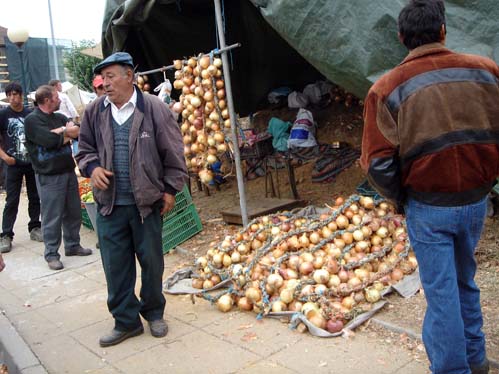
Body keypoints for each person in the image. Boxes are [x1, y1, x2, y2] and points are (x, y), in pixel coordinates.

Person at [360, 1, 498, 373]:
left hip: (429, 207)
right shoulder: (486, 72)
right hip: (474, 201)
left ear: (401, 38)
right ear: (443, 30)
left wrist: (401, 196)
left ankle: (455, 369)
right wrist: (487, 177)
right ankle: (476, 358)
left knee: (442, 293)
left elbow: (376, 161)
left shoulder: (386, 89)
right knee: (464, 280)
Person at [76, 52, 188, 347]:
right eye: (103, 78)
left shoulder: (153, 108)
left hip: (147, 203)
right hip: (110, 205)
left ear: (130, 76)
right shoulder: (95, 111)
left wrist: (170, 190)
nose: (106, 84)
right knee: (115, 265)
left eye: (111, 76)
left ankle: (154, 312)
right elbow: (84, 149)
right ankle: (126, 322)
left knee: (152, 262)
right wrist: (92, 167)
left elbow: (174, 152)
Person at [24, 85, 92, 271]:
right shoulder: (32, 121)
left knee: (73, 211)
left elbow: (77, 130)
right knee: (52, 216)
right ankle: (52, 254)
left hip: (68, 171)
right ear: (47, 100)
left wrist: (61, 131)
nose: (60, 100)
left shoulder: (60, 117)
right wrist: (64, 133)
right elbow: (48, 141)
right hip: (49, 176)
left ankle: (72, 245)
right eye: (56, 97)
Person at [0, 82, 42, 254]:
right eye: (9, 94)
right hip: (12, 163)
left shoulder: (29, 114)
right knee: (12, 199)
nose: (12, 98)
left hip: (31, 163)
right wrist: (5, 157)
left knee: (34, 196)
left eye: (15, 94)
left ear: (21, 95)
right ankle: (6, 234)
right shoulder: (3, 115)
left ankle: (35, 227)